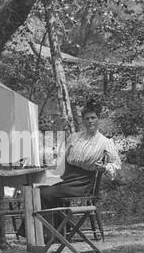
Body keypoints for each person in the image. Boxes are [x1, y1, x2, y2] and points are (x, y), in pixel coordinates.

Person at [33, 100, 121, 234]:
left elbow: (116, 165)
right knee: (37, 189)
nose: (90, 121)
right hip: (65, 177)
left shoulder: (105, 142)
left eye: (93, 118)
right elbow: (62, 157)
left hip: (81, 183)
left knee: (44, 193)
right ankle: (53, 232)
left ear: (98, 119)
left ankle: (50, 233)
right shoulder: (75, 137)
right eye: (87, 119)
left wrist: (104, 167)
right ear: (83, 121)